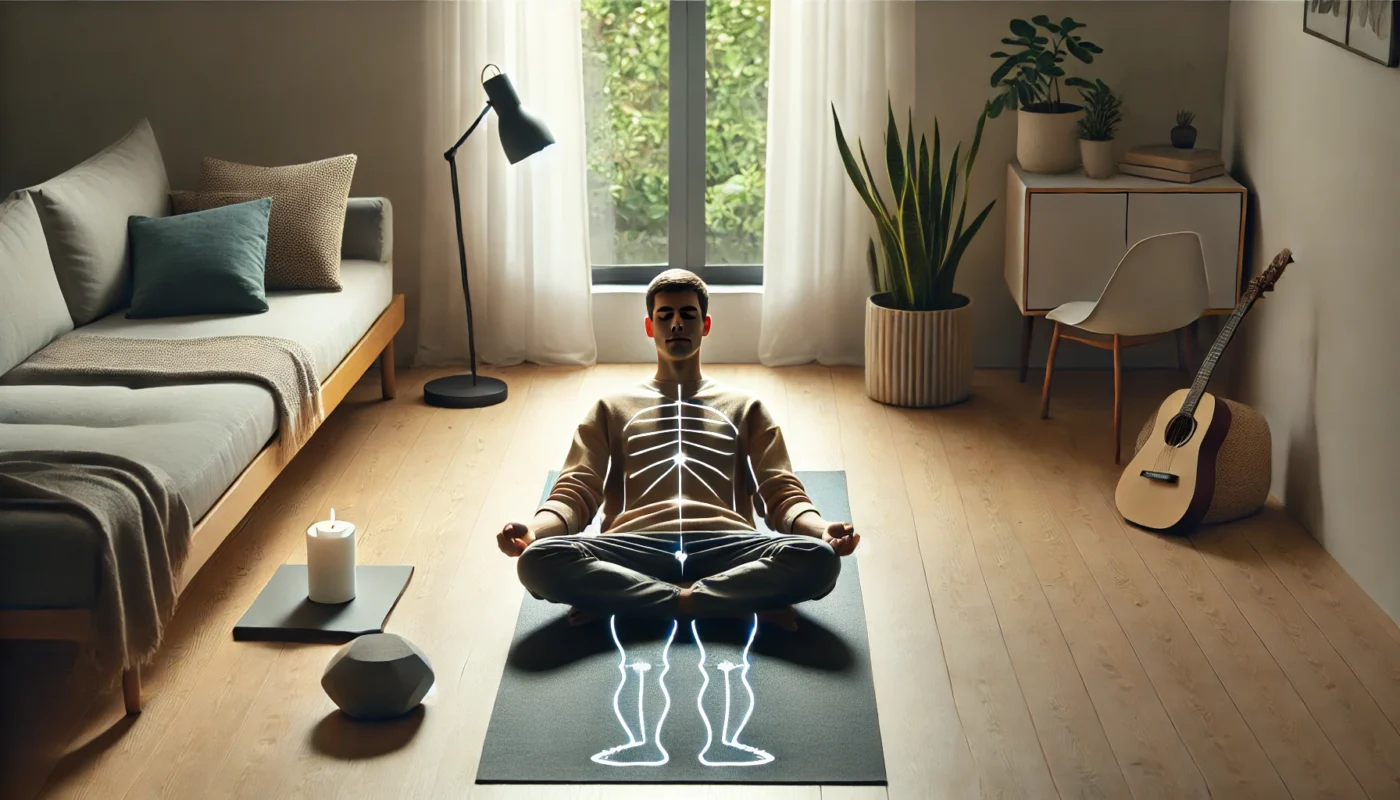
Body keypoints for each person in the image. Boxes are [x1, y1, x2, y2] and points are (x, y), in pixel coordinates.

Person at [497, 269, 860, 631]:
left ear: (705, 325)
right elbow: (575, 493)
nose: (675, 324)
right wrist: (532, 530)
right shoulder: (610, 407)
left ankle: (629, 600)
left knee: (820, 559)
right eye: (664, 315)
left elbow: (781, 493)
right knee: (538, 560)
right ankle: (732, 600)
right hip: (632, 549)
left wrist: (822, 529)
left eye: (687, 315)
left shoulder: (746, 407)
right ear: (649, 326)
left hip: (730, 547)